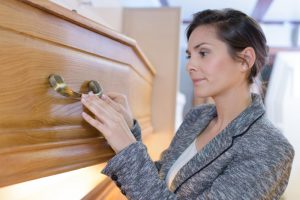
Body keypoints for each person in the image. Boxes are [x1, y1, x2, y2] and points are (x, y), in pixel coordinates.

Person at [81, 8, 294, 200]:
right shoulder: (198, 117)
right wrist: (128, 130)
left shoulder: (271, 148)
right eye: (189, 55)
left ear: (245, 60)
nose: (190, 65)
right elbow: (160, 182)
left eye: (203, 53)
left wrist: (127, 147)